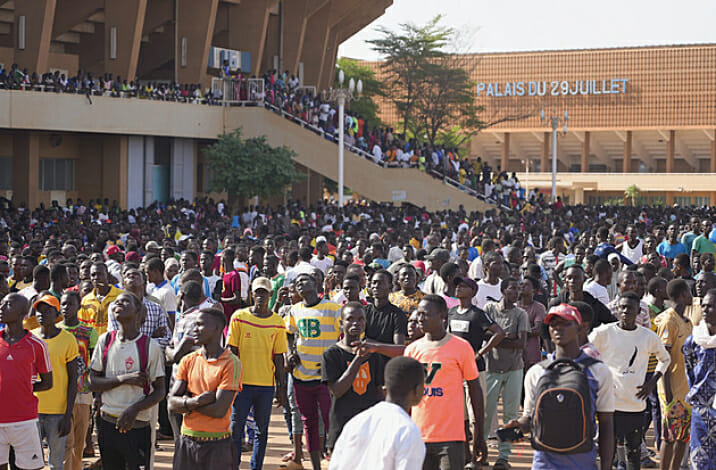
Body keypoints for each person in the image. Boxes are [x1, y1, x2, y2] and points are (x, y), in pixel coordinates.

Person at [505, 303, 615, 470]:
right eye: (553, 324)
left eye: (565, 323)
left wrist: (606, 467)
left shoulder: (598, 371)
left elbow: (606, 423)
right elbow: (530, 418)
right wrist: (519, 427)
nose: (558, 328)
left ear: (579, 329)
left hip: (583, 462)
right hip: (544, 463)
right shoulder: (537, 372)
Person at [588, 291, 671, 470]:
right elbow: (585, 353)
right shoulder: (604, 332)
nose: (625, 311)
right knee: (607, 456)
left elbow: (665, 359)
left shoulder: (647, 336)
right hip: (609, 405)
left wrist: (652, 382)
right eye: (622, 307)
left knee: (633, 454)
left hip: (635, 405)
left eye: (630, 308)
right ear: (617, 309)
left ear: (638, 311)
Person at [405, 295, 486, 470]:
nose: (420, 319)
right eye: (418, 314)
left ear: (442, 316)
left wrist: (479, 433)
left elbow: (475, 389)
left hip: (451, 438)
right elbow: (406, 396)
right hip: (419, 436)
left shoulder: (461, 347)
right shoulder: (412, 350)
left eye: (425, 314)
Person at [88, 292, 166, 470]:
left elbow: (160, 391)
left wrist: (134, 409)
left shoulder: (149, 346)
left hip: (137, 425)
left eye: (125, 301)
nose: (118, 304)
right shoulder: (105, 341)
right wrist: (123, 379)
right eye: (116, 302)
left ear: (138, 311)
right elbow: (92, 381)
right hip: (108, 423)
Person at [168, 308, 242, 470]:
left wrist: (186, 404)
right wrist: (197, 401)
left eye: (200, 325)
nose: (195, 329)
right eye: (194, 325)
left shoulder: (231, 363)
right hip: (187, 440)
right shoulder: (188, 360)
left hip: (217, 445)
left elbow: (219, 410)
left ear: (217, 329)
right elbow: (172, 404)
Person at [227, 277, 288, 469]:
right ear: (252, 294)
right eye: (257, 292)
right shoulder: (239, 317)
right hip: (241, 384)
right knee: (236, 430)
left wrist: (281, 387)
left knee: (262, 432)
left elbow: (279, 357)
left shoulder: (278, 322)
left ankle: (256, 467)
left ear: (270, 295)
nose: (261, 296)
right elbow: (232, 351)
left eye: (264, 292)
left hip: (265, 386)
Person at [284, 273, 342, 470]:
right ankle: (316, 467)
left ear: (315, 283)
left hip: (326, 378)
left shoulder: (332, 308)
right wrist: (290, 353)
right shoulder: (294, 310)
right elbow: (289, 334)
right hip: (301, 375)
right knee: (309, 423)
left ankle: (337, 463)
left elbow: (345, 335)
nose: (300, 284)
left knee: (330, 421)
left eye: (304, 280)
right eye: (297, 282)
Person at [328, 356, 426, 470]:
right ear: (418, 390)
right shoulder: (408, 431)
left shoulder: (356, 422)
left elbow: (335, 465)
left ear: (385, 389)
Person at [447, 276, 504, 467]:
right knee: (459, 415)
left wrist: (480, 353)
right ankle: (465, 454)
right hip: (454, 371)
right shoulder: (452, 313)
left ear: (472, 292)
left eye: (463, 286)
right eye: (458, 286)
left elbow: (499, 332)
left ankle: (478, 454)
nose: (459, 289)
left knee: (475, 415)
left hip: (474, 370)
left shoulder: (477, 314)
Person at [0, 293, 53, 470]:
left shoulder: (36, 345)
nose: (2, 307)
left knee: (29, 467)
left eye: (8, 304)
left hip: (24, 420)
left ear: (23, 312)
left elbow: (47, 382)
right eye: (2, 303)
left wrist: (24, 389)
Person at [321, 302, 384, 451]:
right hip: (342, 427)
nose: (356, 323)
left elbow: (379, 391)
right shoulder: (331, 354)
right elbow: (337, 391)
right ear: (342, 323)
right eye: (350, 319)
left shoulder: (374, 355)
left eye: (360, 319)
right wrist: (358, 360)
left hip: (368, 428)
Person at [482, 278, 529, 470]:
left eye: (518, 289)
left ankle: (504, 457)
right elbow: (482, 334)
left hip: (514, 368)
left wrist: (496, 338)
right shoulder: (490, 309)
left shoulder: (521, 314)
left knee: (511, 415)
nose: (516, 292)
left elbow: (521, 343)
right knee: (486, 412)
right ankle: (481, 452)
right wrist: (506, 336)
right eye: (512, 288)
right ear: (502, 290)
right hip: (491, 367)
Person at [32, 294, 79, 470]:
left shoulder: (68, 340)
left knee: (56, 462)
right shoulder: (30, 338)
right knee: (32, 461)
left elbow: (73, 378)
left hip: (58, 412)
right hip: (32, 410)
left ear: (56, 313)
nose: (42, 314)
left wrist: (68, 415)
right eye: (39, 311)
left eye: (47, 310)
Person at [654, 279, 693, 470]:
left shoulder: (687, 322)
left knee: (683, 436)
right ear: (684, 294)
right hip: (672, 390)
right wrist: (668, 393)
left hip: (685, 389)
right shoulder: (669, 321)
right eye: (690, 292)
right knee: (669, 436)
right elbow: (664, 358)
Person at [59, 290, 98, 470]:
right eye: (63, 304)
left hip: (82, 392)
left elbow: (95, 364)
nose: (66, 308)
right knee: (66, 441)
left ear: (78, 307)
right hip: (59, 394)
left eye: (70, 304)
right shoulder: (56, 331)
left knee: (79, 443)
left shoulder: (89, 332)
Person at [683, 288, 716, 469]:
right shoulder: (693, 341)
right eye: (703, 306)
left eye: (711, 306)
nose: (705, 310)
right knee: (700, 461)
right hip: (702, 412)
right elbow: (690, 371)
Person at [78, 262, 122, 335]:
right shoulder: (86, 300)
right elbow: (83, 326)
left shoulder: (120, 295)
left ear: (107, 275)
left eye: (100, 274)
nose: (96, 278)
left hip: (115, 341)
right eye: (93, 275)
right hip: (94, 344)